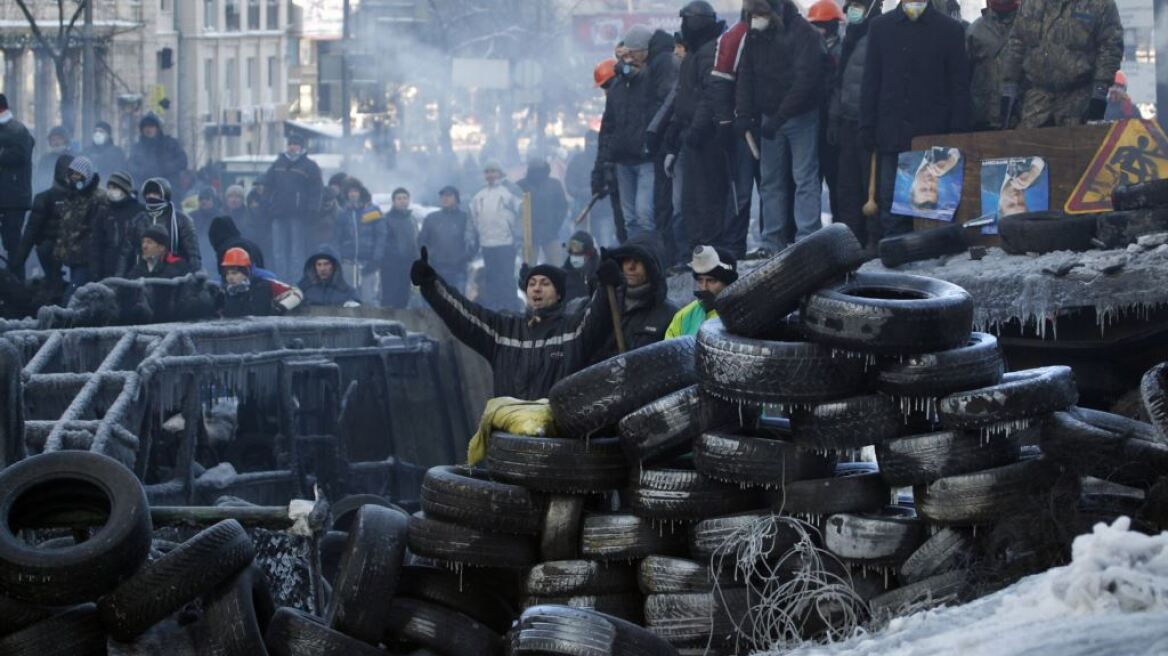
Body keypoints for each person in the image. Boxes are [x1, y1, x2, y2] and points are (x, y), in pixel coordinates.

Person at [411, 246, 621, 400]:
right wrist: (432, 285)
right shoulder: (504, 332)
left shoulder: (572, 330)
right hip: (509, 441)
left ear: (559, 295)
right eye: (532, 284)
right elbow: (464, 314)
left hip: (558, 442)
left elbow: (598, 316)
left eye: (545, 284)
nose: (536, 288)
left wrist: (605, 286)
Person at [861, 0, 969, 237]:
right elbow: (871, 81)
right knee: (891, 203)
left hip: (934, 134)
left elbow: (959, 86)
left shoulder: (950, 30)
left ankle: (930, 255)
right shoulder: (881, 28)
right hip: (892, 132)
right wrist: (867, 125)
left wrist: (957, 131)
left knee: (932, 206)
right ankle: (895, 251)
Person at [736, 0, 829, 251]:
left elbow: (806, 80)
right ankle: (772, 240)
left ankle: (807, 238)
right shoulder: (755, 34)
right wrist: (744, 112)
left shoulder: (803, 32)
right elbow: (746, 72)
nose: (755, 17)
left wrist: (779, 117)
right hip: (769, 117)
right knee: (770, 181)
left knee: (804, 178)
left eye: (759, 12)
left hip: (800, 116)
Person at [594, 25, 671, 238]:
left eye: (631, 53)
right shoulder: (618, 86)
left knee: (644, 215)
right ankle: (636, 259)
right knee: (630, 220)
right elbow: (609, 126)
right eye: (625, 55)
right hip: (622, 161)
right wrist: (606, 164)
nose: (628, 59)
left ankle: (651, 259)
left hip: (645, 158)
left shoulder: (652, 79)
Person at [1001, 0, 1123, 129]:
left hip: (1078, 101)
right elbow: (1016, 44)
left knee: (1078, 146)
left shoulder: (1100, 4)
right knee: (1029, 146)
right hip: (1036, 101)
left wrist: (1099, 93)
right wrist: (1009, 88)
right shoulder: (1030, 4)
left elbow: (1110, 47)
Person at [667, 1, 727, 255]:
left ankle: (707, 251)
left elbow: (709, 96)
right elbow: (684, 98)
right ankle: (697, 251)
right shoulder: (695, 53)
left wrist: (695, 131)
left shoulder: (708, 52)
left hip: (705, 138)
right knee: (691, 201)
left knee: (705, 199)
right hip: (692, 136)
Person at [829, 0, 882, 253]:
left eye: (859, 4)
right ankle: (850, 241)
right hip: (847, 122)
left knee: (870, 185)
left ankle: (873, 239)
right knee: (847, 186)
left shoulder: (880, 33)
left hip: (868, 122)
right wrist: (834, 118)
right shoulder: (850, 36)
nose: (853, 9)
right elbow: (839, 84)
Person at [591, 234, 678, 362]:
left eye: (638, 261)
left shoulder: (669, 315)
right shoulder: (606, 305)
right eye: (626, 260)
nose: (630, 267)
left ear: (652, 268)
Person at [710, 12, 755, 259]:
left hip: (768, 122)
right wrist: (726, 121)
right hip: (742, 128)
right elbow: (721, 81)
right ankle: (734, 247)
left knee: (773, 188)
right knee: (743, 189)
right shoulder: (736, 35)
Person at [262, 133, 323, 276]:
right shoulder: (278, 163)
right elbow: (267, 185)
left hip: (298, 215)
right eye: (290, 144)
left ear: (301, 147)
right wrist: (267, 204)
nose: (292, 147)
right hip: (278, 213)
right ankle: (281, 280)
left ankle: (297, 282)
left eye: (295, 144)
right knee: (278, 251)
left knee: (297, 252)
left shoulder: (310, 166)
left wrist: (313, 209)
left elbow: (316, 190)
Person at [808, 0, 844, 223]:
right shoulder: (808, 49)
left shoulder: (841, 50)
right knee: (810, 182)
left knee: (836, 181)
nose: (817, 29)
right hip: (811, 121)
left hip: (832, 123)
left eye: (820, 24)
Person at [470, 160, 522, 311]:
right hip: (486, 243)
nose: (490, 175)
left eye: (493, 171)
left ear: (500, 172)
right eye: (487, 172)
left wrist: (519, 237)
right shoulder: (479, 194)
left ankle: (511, 307)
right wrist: (473, 238)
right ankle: (494, 307)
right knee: (491, 278)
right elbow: (472, 217)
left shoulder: (510, 190)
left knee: (506, 277)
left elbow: (523, 214)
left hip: (506, 242)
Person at [122, 177, 201, 274]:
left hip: (175, 272)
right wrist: (119, 278)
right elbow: (126, 253)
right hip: (143, 271)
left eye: (155, 194)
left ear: (165, 195)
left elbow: (193, 254)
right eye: (148, 194)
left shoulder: (182, 220)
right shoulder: (138, 220)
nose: (151, 197)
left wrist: (195, 276)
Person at [13, 154, 73, 282]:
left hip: (75, 251)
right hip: (50, 250)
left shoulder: (83, 199)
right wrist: (18, 262)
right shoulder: (45, 198)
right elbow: (31, 231)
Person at [52, 156, 109, 289]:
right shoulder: (71, 196)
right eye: (72, 174)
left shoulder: (99, 198)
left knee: (73, 297)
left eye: (78, 174)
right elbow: (66, 228)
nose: (75, 177)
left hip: (88, 258)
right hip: (73, 257)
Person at [123, 224, 198, 323]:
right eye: (143, 242)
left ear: (162, 247)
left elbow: (162, 285)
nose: (144, 246)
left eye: (149, 242)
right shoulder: (139, 267)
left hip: (171, 319)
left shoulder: (177, 264)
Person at [967, 0, 1020, 130]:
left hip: (1021, 118)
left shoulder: (1029, 26)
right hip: (983, 120)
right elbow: (961, 79)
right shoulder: (974, 31)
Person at [665, 245, 739, 338]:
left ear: (729, 283)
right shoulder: (684, 316)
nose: (704, 287)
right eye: (700, 280)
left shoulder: (743, 316)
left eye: (711, 281)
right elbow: (670, 349)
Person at [334, 178, 387, 304]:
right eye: (350, 192)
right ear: (346, 194)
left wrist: (376, 259)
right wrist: (340, 257)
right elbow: (337, 238)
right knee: (349, 300)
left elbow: (381, 236)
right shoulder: (343, 213)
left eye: (355, 191)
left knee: (369, 299)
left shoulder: (373, 211)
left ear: (361, 192)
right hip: (348, 263)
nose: (353, 194)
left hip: (368, 262)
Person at [419, 186, 477, 294]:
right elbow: (422, 240)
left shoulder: (465, 218)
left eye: (449, 196)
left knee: (457, 303)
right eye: (442, 196)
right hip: (436, 267)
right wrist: (429, 256)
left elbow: (474, 241)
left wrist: (466, 257)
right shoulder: (431, 218)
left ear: (456, 198)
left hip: (458, 269)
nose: (445, 198)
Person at [219, 247, 302, 318]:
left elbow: (296, 293)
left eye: (234, 273)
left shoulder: (265, 285)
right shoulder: (224, 293)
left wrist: (280, 308)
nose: (230, 277)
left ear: (246, 273)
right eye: (227, 274)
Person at [0, 93, 34, 261]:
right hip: (8, 197)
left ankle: (16, 282)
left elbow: (21, 155)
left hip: (13, 199)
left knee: (13, 243)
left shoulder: (17, 130)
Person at [518, 158, 569, 265]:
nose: (537, 173)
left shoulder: (554, 184)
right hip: (529, 236)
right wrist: (522, 230)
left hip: (551, 233)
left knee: (556, 268)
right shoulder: (520, 186)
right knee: (528, 270)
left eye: (538, 170)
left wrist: (555, 225)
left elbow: (562, 206)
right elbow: (516, 211)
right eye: (534, 170)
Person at [98, 171, 143, 280]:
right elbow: (96, 243)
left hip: (133, 269)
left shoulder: (139, 211)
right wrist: (97, 271)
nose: (111, 191)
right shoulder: (104, 212)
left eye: (115, 187)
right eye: (109, 187)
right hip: (108, 270)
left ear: (125, 189)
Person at [381, 187, 420, 309]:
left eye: (405, 198)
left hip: (408, 265)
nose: (402, 201)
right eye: (399, 198)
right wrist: (394, 254)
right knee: (389, 298)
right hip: (390, 265)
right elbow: (382, 242)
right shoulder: (386, 219)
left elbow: (416, 241)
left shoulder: (412, 219)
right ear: (393, 201)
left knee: (404, 297)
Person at [127, 114, 188, 189]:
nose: (148, 129)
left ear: (157, 128)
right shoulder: (137, 148)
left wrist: (166, 167)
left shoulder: (170, 144)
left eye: (151, 126)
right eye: (145, 127)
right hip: (145, 188)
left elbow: (182, 161)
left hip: (169, 187)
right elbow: (130, 166)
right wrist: (144, 171)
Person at [33, 126, 72, 194]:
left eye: (59, 139)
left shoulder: (73, 157)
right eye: (53, 139)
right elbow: (39, 179)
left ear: (65, 140)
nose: (56, 142)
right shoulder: (45, 159)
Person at [562, 230, 599, 302]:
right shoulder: (563, 276)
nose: (574, 257)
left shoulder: (599, 275)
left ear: (589, 254)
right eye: (572, 253)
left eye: (578, 254)